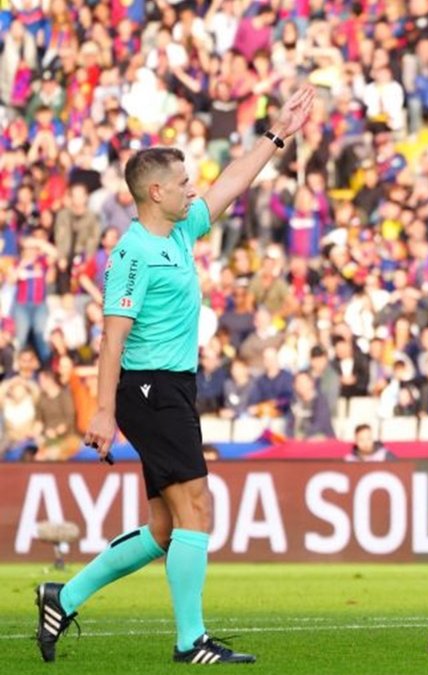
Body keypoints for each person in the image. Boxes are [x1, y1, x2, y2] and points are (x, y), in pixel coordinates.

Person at [35, 86, 315, 665]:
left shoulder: (181, 231)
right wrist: (104, 412)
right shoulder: (132, 253)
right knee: (198, 508)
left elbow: (232, 183)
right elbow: (111, 338)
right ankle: (191, 641)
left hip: (174, 387)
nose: (194, 189)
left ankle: (63, 596)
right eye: (184, 183)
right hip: (148, 388)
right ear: (155, 192)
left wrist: (277, 134)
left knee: (165, 528)